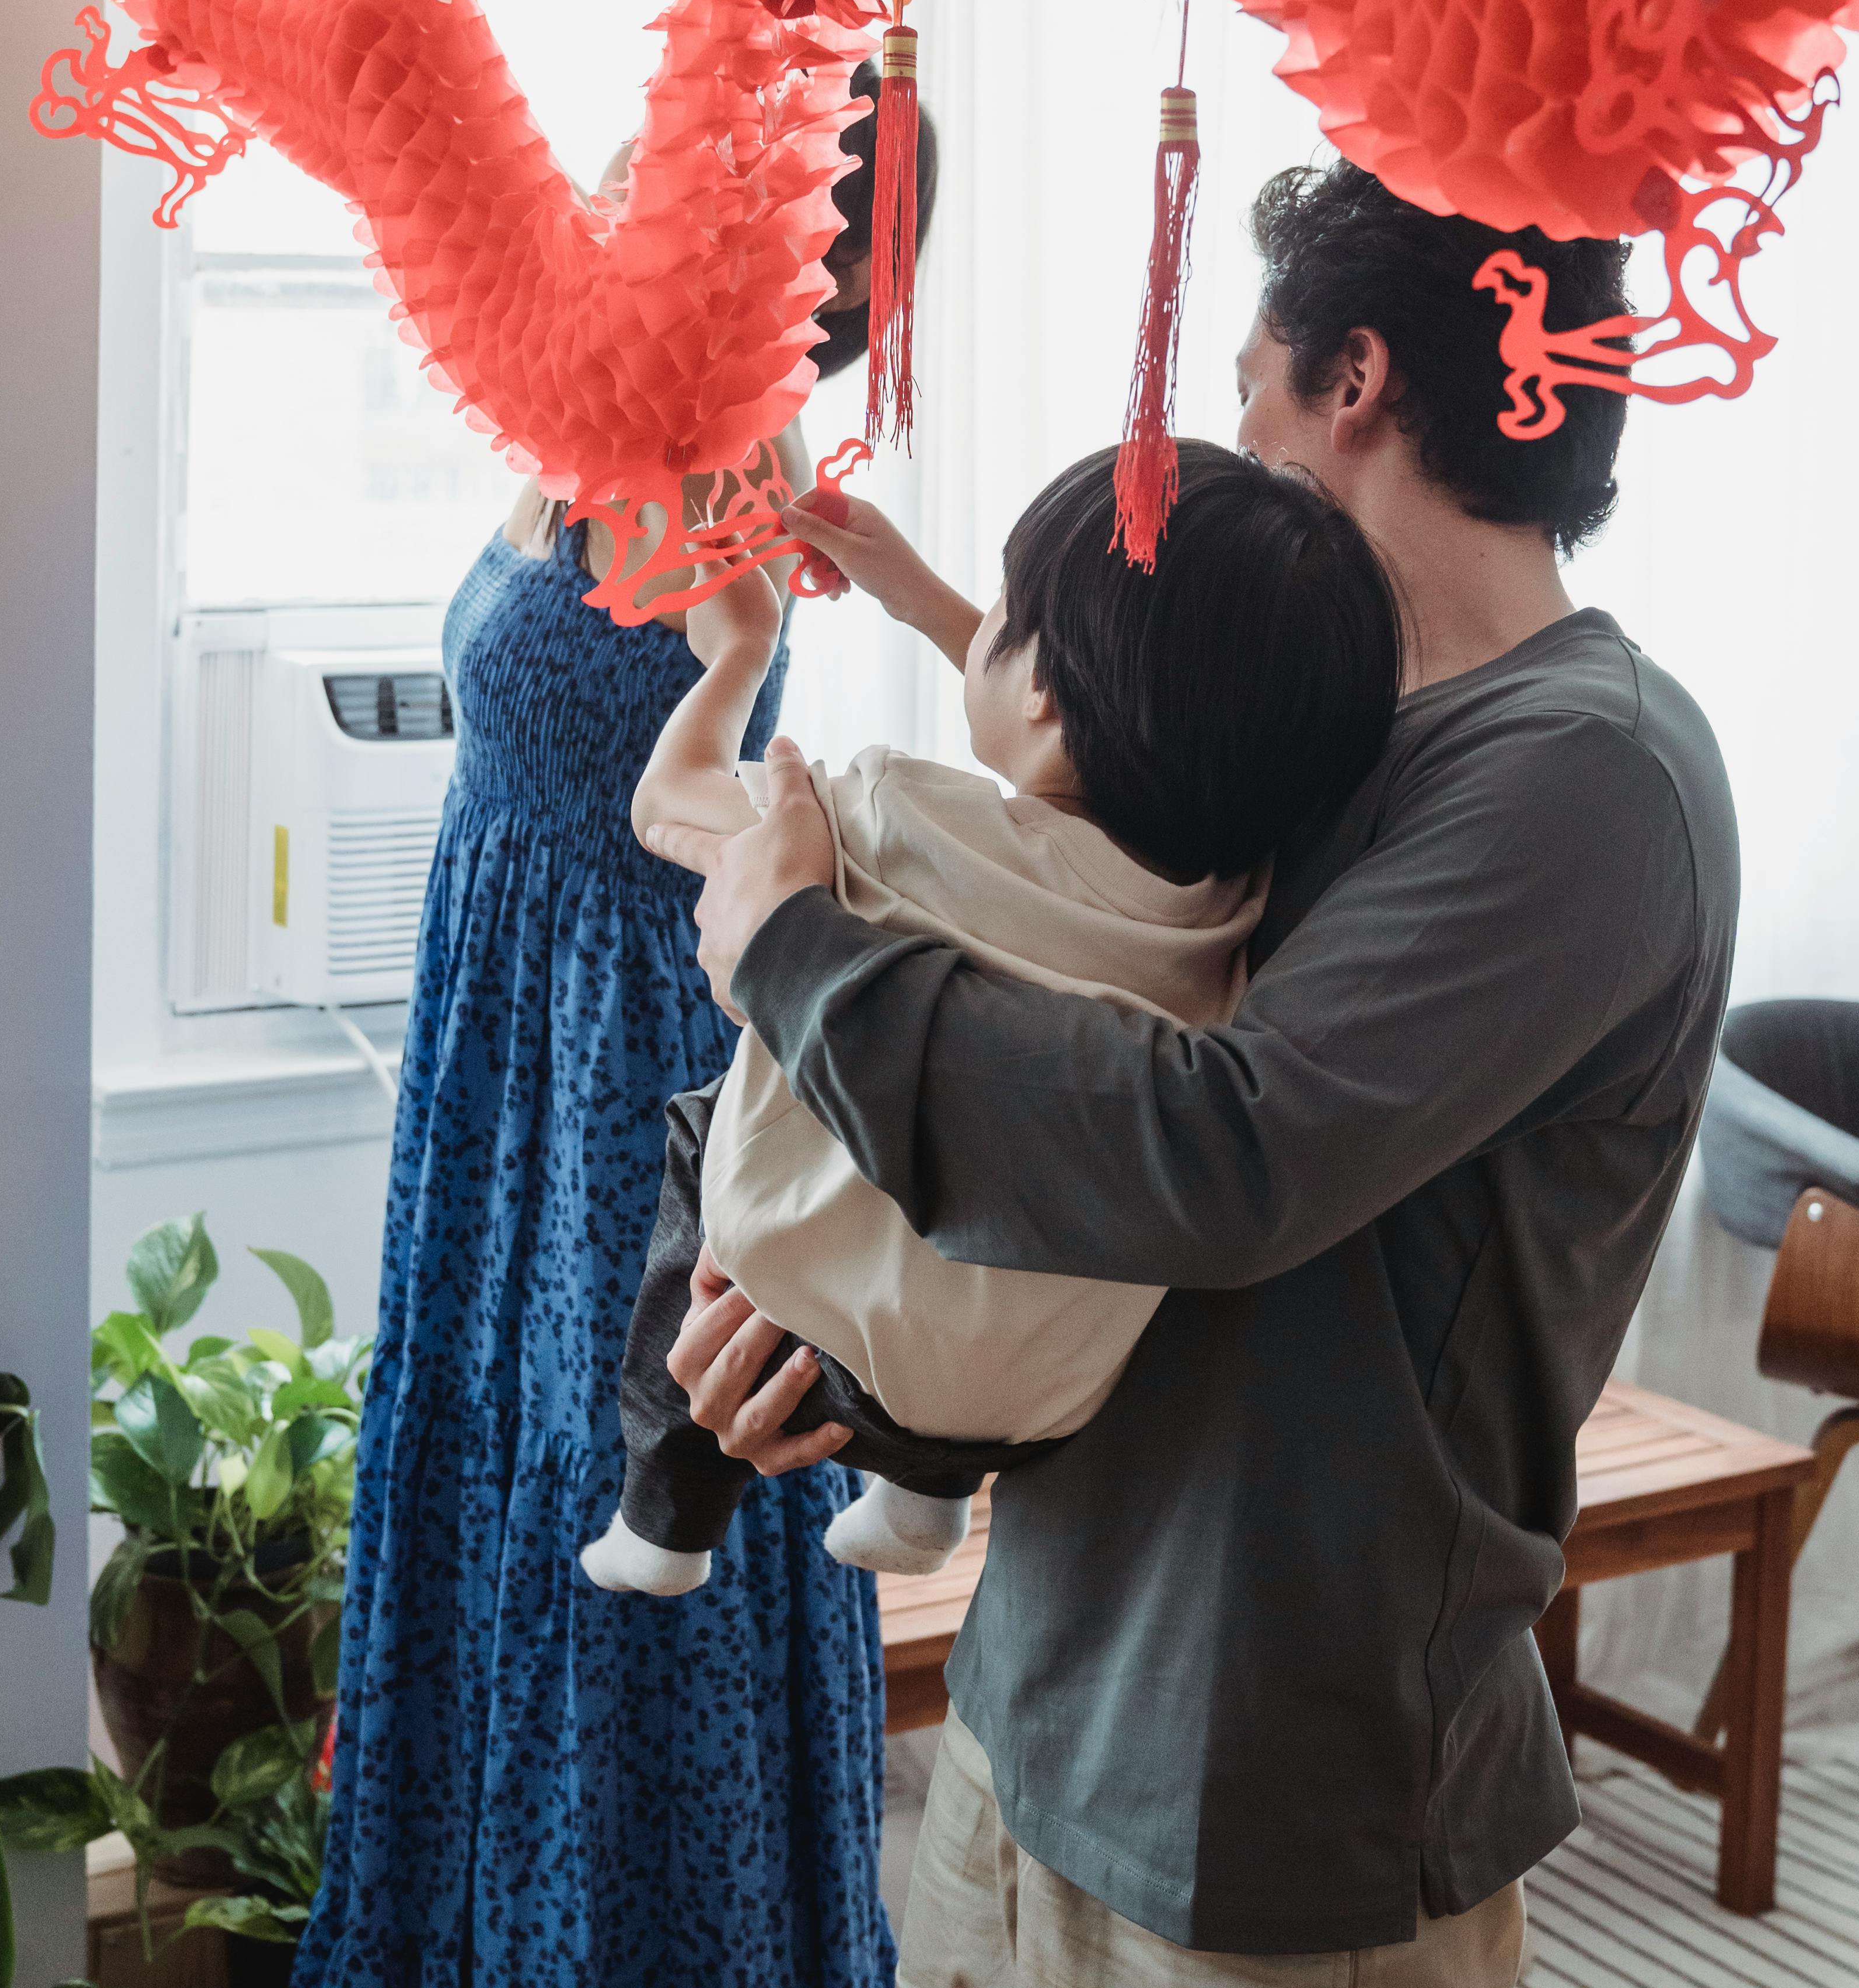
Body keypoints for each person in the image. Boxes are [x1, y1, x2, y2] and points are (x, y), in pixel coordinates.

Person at [661, 160, 1741, 1988]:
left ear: (1355, 383)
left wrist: (797, 954)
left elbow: (1223, 1154)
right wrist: (821, 1338)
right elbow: (1091, 866)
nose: (1232, 441)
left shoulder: (1583, 782)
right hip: (1057, 1693)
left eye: (1251, 389)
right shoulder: (1316, 718)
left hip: (1281, 1780)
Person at [158, 0, 932, 1988]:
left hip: (629, 1128)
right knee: (531, 1666)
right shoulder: (596, 372)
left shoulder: (698, 442)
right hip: (510, 1111)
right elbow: (443, 56)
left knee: (646, 1706)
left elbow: (443, 39)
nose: (626, 167)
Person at [586, 440, 1400, 1593]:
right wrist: (915, 591)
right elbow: (1123, 718)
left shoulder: (884, 817)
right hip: (1019, 1403)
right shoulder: (1240, 906)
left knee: (709, 1123)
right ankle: (921, 1505)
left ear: (1043, 691)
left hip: (812, 1348)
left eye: (1004, 614)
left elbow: (666, 805)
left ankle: (663, 1520)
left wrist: (738, 653)